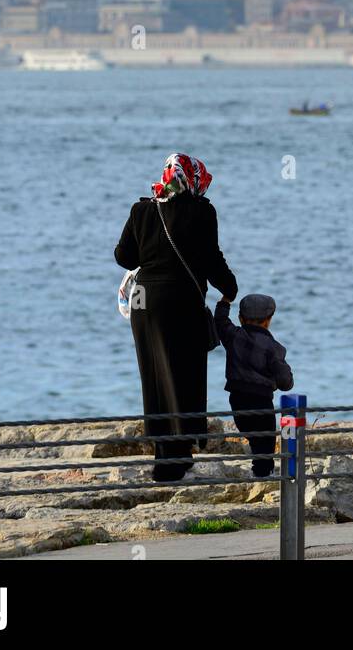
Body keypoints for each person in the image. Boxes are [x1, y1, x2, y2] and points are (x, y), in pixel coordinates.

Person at [114, 153, 238, 482]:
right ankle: (180, 455)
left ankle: (163, 457)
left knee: (155, 377)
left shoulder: (142, 209)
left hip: (145, 303)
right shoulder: (202, 211)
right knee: (186, 375)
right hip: (183, 300)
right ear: (193, 178)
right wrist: (230, 288)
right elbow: (213, 260)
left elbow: (123, 256)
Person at [214, 292, 294, 478]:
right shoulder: (274, 348)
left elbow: (220, 322)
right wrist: (287, 377)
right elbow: (285, 382)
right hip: (261, 400)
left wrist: (224, 302)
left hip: (237, 399)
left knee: (252, 434)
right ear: (268, 320)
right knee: (265, 439)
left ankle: (261, 470)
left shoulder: (233, 336)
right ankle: (262, 473)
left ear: (241, 318)